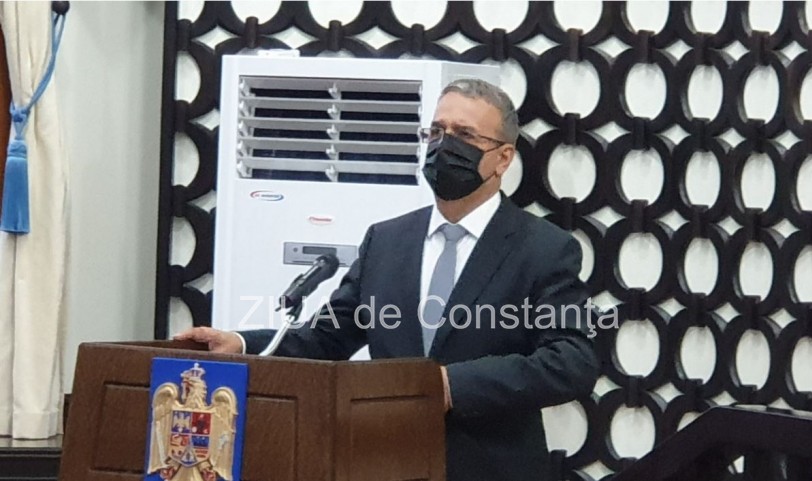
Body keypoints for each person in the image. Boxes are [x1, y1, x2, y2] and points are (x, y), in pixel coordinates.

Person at [176, 78, 599, 481]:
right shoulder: (386, 240)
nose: (444, 145)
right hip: (386, 461)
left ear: (503, 158)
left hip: (491, 468)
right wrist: (243, 345)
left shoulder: (544, 248)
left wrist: (452, 386)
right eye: (436, 131)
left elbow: (570, 361)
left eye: (465, 135)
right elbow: (327, 338)